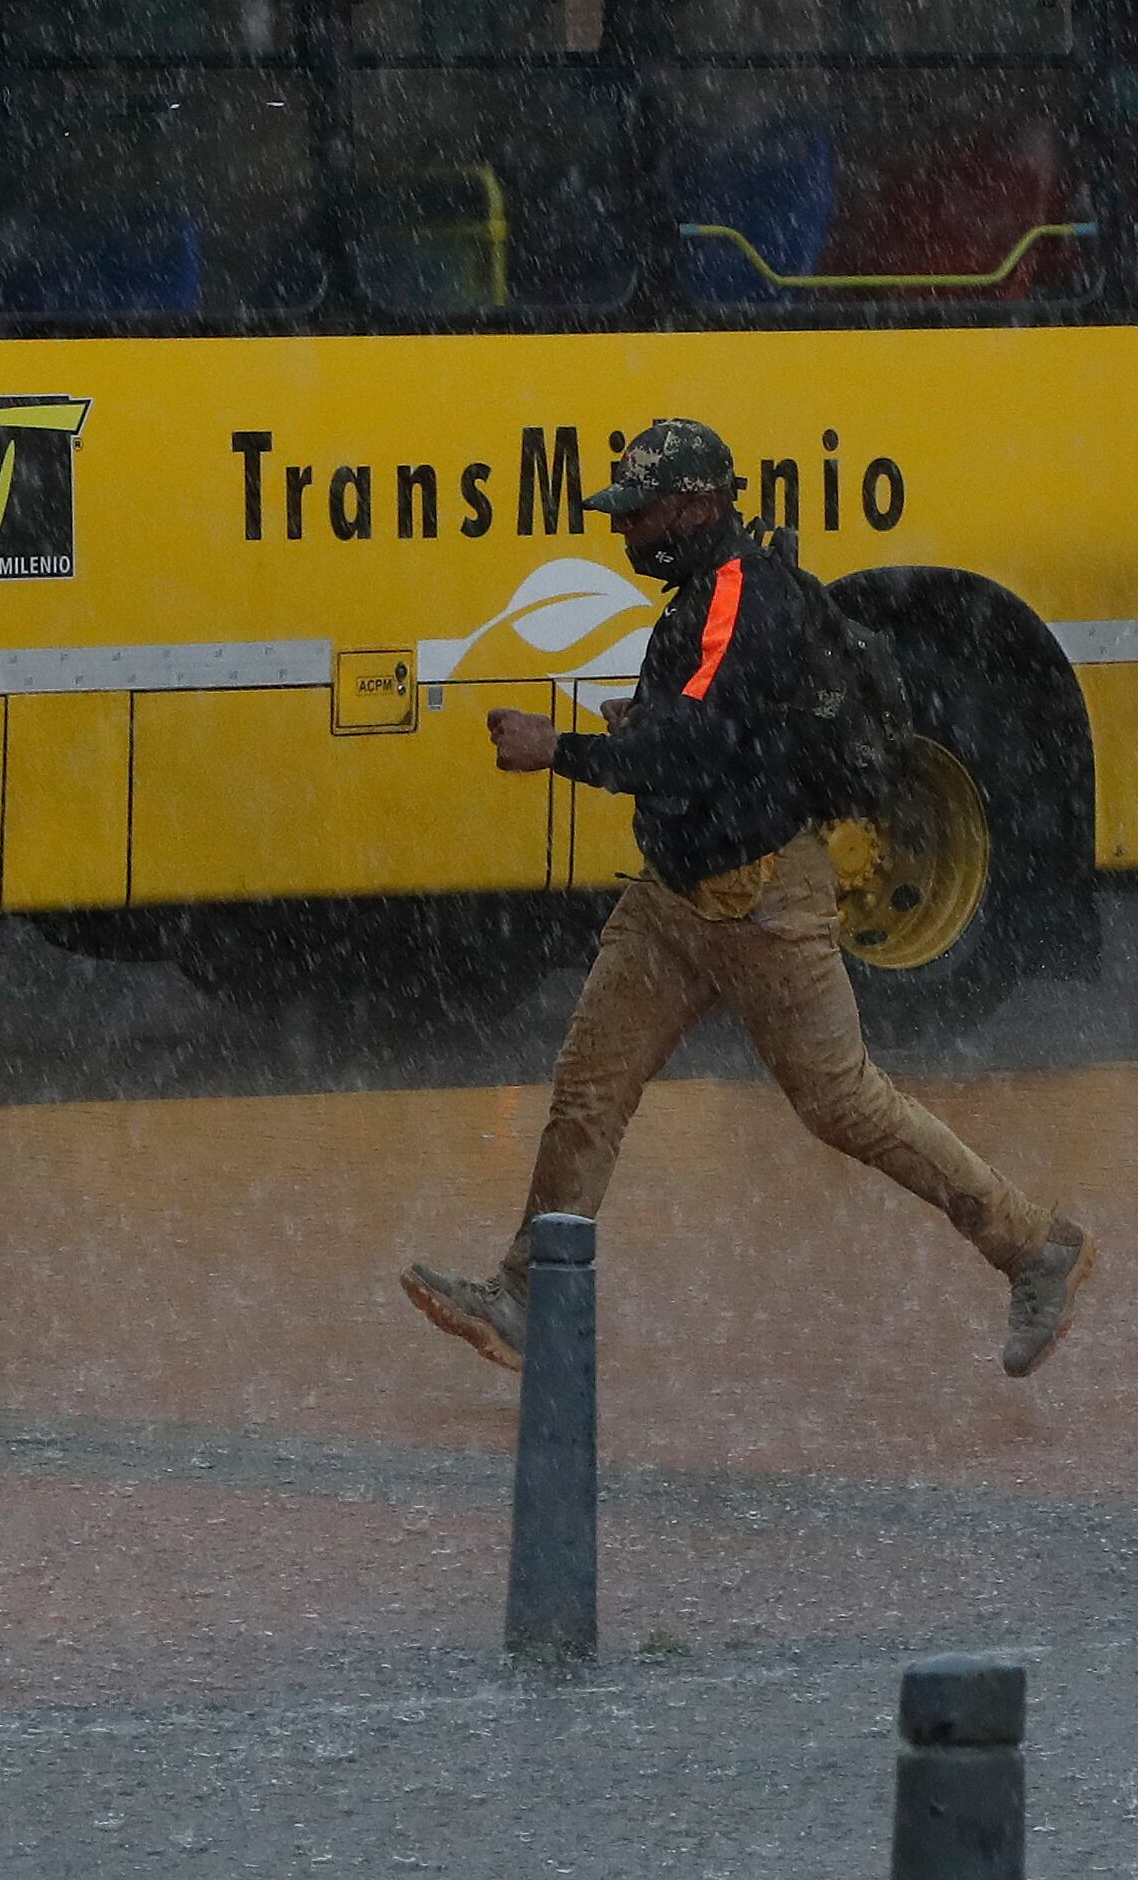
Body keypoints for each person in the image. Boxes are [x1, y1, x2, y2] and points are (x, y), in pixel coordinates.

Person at [400, 418, 1096, 1378]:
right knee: (590, 1089)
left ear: (695, 505)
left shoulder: (738, 597)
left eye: (639, 514)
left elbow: (694, 748)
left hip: (764, 900)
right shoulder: (706, 598)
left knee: (846, 1104)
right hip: (675, 896)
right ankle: (526, 1293)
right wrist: (647, 722)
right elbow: (714, 729)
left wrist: (558, 748)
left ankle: (1035, 1247)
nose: (626, 532)